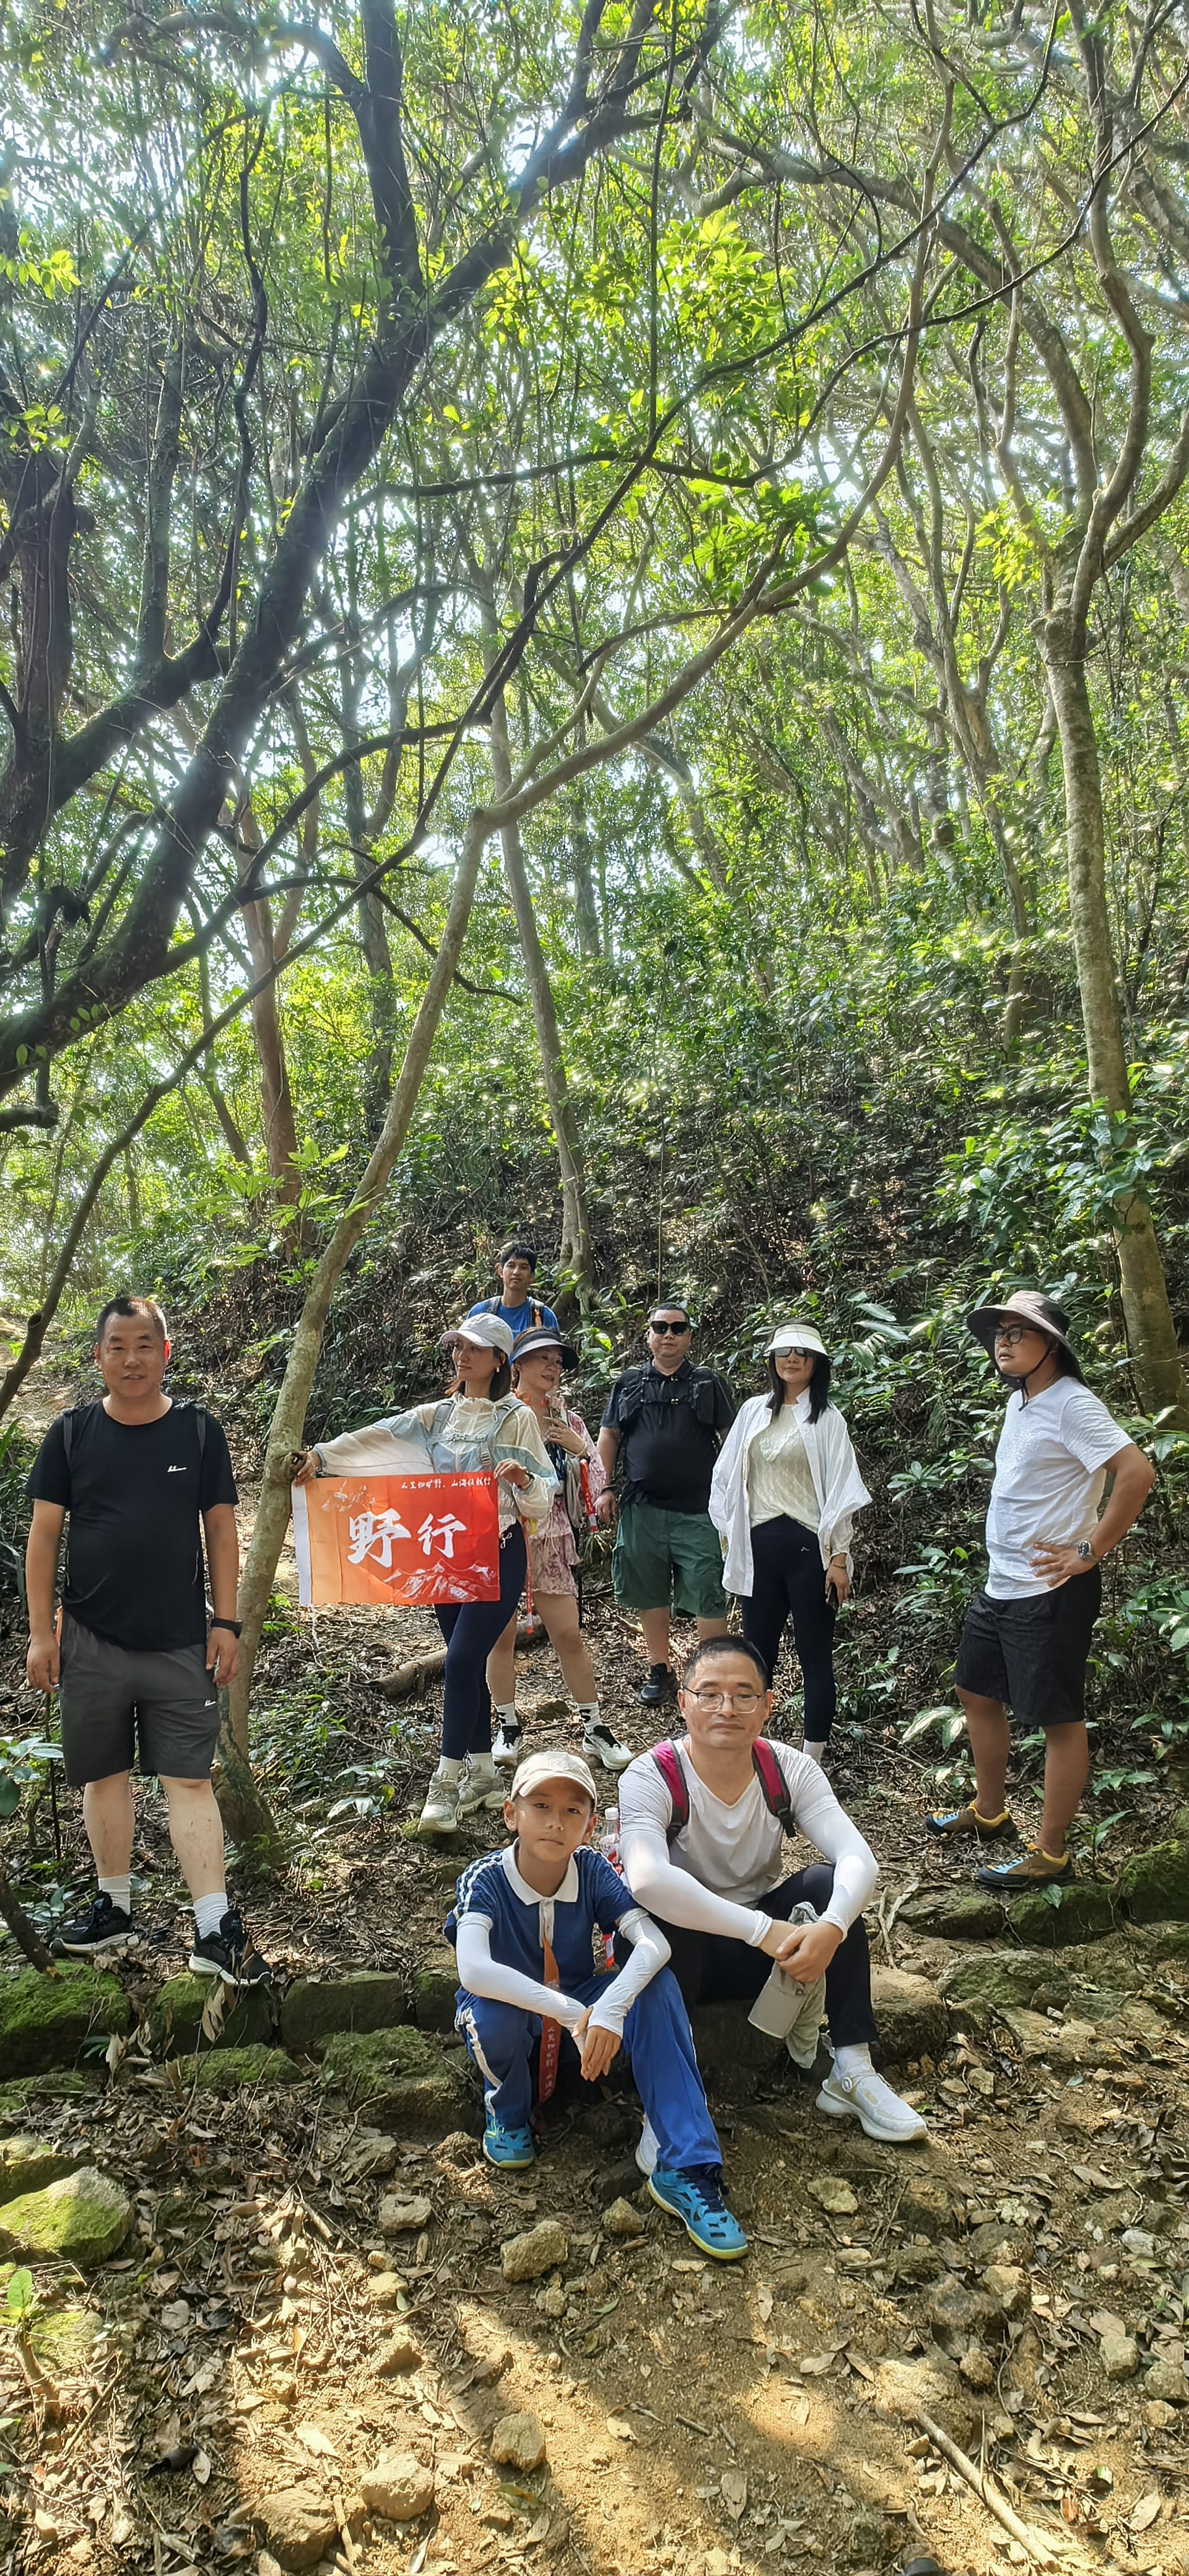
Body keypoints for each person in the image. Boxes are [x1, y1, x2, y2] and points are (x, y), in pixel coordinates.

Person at [24, 1295, 267, 1985]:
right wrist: (41, 1633)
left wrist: (225, 1623)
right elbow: (44, 1538)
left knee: (188, 1777)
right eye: (117, 1346)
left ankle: (214, 1928)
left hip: (180, 1640)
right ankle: (114, 1908)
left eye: (144, 1346)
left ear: (166, 1352)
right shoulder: (71, 1434)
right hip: (89, 1638)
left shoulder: (197, 1432)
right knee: (104, 1772)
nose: (131, 1359)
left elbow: (221, 1531)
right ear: (98, 1355)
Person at [618, 1637, 926, 2144]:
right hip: (684, 1952)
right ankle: (668, 2098)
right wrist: (761, 1930)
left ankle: (852, 2069)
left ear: (767, 1705)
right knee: (658, 1915)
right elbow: (647, 1878)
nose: (726, 1708)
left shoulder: (788, 1769)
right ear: (683, 1702)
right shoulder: (653, 1775)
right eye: (709, 1694)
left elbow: (858, 1858)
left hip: (764, 1955)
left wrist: (831, 1928)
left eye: (744, 1695)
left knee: (826, 1885)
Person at [446, 1747, 747, 2258]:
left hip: (583, 2016)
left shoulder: (590, 1870)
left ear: (589, 1826)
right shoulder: (486, 1878)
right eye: (540, 1806)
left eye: (572, 1810)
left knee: (657, 1987)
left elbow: (654, 1945)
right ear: (510, 1814)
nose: (555, 1822)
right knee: (492, 2013)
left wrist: (611, 2007)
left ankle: (687, 2165)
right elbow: (474, 1970)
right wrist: (571, 2013)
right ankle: (508, 2111)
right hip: (527, 2017)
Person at [292, 1314, 558, 1838]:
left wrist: (524, 1479)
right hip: (446, 1557)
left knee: (459, 1660)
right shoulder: (437, 1416)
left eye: (474, 1348)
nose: (462, 1356)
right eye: (458, 1346)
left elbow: (544, 1494)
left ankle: (445, 1782)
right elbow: (378, 1437)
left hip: (499, 1554)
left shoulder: (516, 1419)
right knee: (467, 1663)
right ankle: (484, 1775)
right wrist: (321, 1456)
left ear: (499, 1360)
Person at [929, 1289, 1155, 1889]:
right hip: (1002, 1584)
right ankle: (990, 1811)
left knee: (1057, 1718)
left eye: (1017, 1332)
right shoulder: (1021, 1400)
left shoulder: (1072, 1403)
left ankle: (1050, 1852)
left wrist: (1090, 1549)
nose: (1002, 1342)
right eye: (998, 1333)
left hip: (1050, 1589)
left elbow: (1136, 1472)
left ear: (1051, 1344)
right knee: (974, 1689)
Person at [709, 1322, 870, 1764]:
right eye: (784, 1352)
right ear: (772, 1361)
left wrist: (839, 1558)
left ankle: (810, 1762)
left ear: (816, 1363)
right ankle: (748, 1754)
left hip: (808, 1550)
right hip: (758, 1548)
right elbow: (726, 1476)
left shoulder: (827, 1419)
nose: (792, 1359)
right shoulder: (753, 1411)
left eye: (802, 1353)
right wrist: (730, 1538)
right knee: (756, 1655)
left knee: (815, 1655)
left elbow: (842, 1490)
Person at [484, 1326, 630, 1776]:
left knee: (568, 1633)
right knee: (500, 1636)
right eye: (542, 1358)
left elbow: (599, 1481)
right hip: (502, 1535)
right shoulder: (496, 1415)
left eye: (558, 1360)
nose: (552, 1367)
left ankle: (594, 1726)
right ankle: (507, 1725)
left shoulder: (569, 1421)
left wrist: (580, 1449)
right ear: (518, 1365)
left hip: (552, 1536)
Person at [597, 1304, 734, 1706]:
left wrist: (735, 1494)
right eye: (660, 1327)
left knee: (708, 1589)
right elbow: (609, 1436)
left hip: (700, 1510)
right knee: (649, 1590)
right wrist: (604, 1487)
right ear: (649, 1336)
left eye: (678, 1328)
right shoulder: (629, 1383)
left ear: (689, 1336)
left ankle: (711, 1676)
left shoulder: (708, 1382)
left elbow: (732, 1438)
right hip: (642, 1509)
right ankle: (661, 1670)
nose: (668, 1334)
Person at [468, 1242, 559, 1341]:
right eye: (511, 1266)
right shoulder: (480, 1312)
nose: (516, 1272)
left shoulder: (543, 1316)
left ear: (532, 1276)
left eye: (523, 1267)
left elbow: (554, 1350)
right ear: (500, 1271)